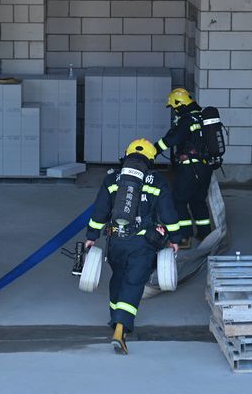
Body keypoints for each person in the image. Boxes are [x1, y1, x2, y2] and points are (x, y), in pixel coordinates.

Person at [84, 139, 180, 355]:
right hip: (142, 243)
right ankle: (121, 328)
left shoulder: (112, 179)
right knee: (134, 282)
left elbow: (100, 211)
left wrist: (91, 236)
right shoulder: (158, 181)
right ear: (151, 159)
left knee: (118, 277)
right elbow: (168, 214)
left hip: (116, 241)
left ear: (126, 156)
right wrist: (175, 238)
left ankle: (114, 316)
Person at [154, 88, 213, 248]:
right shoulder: (201, 116)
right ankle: (205, 234)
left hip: (190, 168)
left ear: (179, 105)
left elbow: (172, 139)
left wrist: (153, 150)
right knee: (198, 200)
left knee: (178, 201)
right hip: (206, 167)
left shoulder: (186, 120)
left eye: (174, 107)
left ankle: (184, 238)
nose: (174, 111)